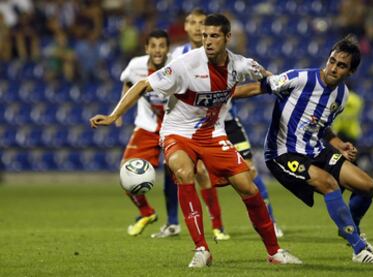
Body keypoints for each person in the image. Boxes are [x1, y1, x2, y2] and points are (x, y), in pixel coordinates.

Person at [90, 13, 301, 268]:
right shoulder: (185, 64)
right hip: (178, 131)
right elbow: (143, 84)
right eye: (204, 36)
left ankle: (274, 252)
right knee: (182, 171)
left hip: (213, 134)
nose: (208, 41)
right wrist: (114, 116)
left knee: (248, 187)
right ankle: (201, 248)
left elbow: (268, 78)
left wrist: (282, 85)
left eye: (214, 36)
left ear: (227, 38)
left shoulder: (241, 65)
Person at [262, 35, 373, 263]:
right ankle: (359, 249)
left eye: (341, 65)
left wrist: (339, 144)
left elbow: (321, 126)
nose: (333, 68)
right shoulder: (302, 78)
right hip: (284, 152)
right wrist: (219, 97)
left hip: (315, 149)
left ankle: (350, 229)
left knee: (367, 186)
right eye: (332, 61)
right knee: (330, 185)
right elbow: (258, 87)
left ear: (350, 72)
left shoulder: (342, 96)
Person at [172, 8, 284, 238]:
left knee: (249, 171)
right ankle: (213, 226)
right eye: (192, 23)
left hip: (228, 122)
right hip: (196, 127)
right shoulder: (180, 57)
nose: (197, 29)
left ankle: (270, 222)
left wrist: (271, 85)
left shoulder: (228, 57)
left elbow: (256, 75)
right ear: (188, 28)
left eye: (202, 25)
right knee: (196, 173)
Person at [115, 29, 179, 236]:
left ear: (168, 49)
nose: (158, 50)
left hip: (174, 126)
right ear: (146, 48)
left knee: (176, 176)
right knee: (126, 172)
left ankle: (173, 223)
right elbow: (127, 82)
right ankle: (146, 212)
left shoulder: (178, 64)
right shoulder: (136, 66)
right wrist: (120, 111)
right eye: (153, 46)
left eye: (162, 46)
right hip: (147, 126)